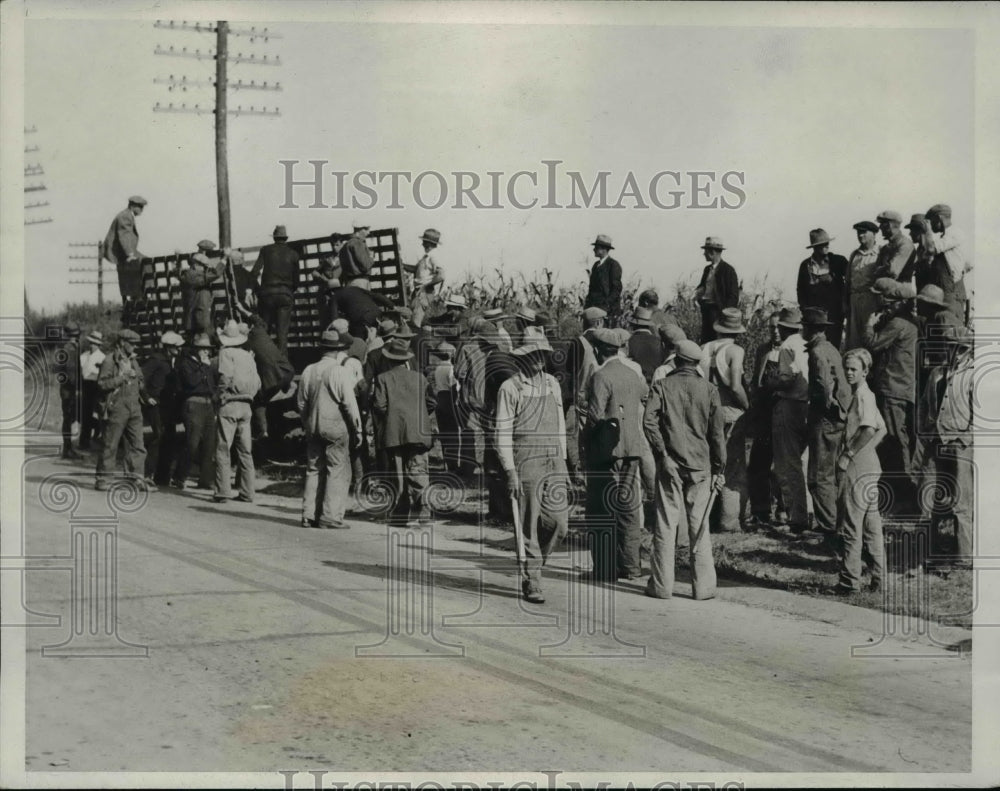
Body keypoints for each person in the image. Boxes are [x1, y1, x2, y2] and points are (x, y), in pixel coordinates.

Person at [643, 339, 726, 600]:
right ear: (697, 364)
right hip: (702, 467)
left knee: (666, 525)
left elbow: (648, 423)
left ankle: (661, 586)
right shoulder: (710, 390)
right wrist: (719, 468)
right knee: (699, 527)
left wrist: (663, 455)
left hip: (671, 465)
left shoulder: (662, 386)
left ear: (675, 361)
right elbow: (717, 435)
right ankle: (703, 588)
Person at [495, 328, 569, 603]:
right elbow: (501, 432)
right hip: (525, 459)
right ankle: (532, 580)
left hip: (553, 459)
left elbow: (560, 423)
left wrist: (563, 460)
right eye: (534, 354)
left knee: (559, 523)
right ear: (522, 357)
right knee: (528, 522)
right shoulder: (510, 388)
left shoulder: (552, 383)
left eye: (542, 354)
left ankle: (536, 565)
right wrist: (510, 470)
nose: (539, 359)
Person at [584, 327, 650, 582]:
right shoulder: (633, 374)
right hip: (631, 449)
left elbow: (595, 416)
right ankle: (631, 566)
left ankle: (605, 569)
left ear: (599, 350)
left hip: (607, 451)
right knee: (628, 508)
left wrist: (588, 442)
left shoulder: (601, 376)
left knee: (602, 509)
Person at [919, 325, 974, 568]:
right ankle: (930, 550)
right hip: (935, 441)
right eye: (951, 347)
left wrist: (967, 437)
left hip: (961, 445)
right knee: (928, 496)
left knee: (962, 501)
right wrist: (925, 432)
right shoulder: (937, 374)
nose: (955, 353)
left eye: (959, 348)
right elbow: (923, 406)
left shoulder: (973, 375)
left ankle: (964, 557)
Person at [865, 277, 920, 516]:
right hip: (902, 389)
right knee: (900, 442)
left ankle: (904, 500)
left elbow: (872, 345)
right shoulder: (910, 322)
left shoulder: (897, 323)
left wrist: (869, 324)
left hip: (892, 389)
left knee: (895, 444)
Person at [834, 348, 887, 594]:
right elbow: (881, 429)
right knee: (871, 525)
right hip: (870, 464)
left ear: (866, 371)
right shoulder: (864, 395)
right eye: (847, 368)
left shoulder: (864, 396)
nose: (849, 372)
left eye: (854, 369)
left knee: (852, 525)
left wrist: (849, 454)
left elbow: (868, 429)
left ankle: (849, 582)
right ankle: (878, 579)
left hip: (858, 466)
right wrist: (867, 451)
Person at [298, 329, 362, 529]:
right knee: (337, 470)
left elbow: (301, 403)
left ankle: (309, 514)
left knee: (313, 469)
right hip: (335, 426)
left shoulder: (309, 370)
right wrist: (357, 429)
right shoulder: (339, 371)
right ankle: (331, 516)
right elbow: (350, 404)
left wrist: (307, 422)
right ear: (339, 349)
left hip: (314, 424)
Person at [372, 336, 437, 526]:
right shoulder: (420, 378)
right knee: (418, 468)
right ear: (406, 359)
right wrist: (421, 415)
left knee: (397, 472)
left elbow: (379, 406)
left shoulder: (382, 379)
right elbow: (432, 402)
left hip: (394, 431)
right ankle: (424, 506)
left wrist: (392, 414)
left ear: (389, 359)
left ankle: (400, 514)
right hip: (419, 431)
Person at [802, 307, 850, 538]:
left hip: (825, 418)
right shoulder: (830, 348)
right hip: (838, 418)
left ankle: (828, 528)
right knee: (830, 473)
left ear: (808, 329)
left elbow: (823, 385)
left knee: (819, 475)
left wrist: (823, 409)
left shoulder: (818, 352)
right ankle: (835, 523)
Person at [700, 307, 749, 532]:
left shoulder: (703, 349)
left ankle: (704, 517)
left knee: (710, 463)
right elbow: (735, 384)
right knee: (732, 467)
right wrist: (747, 405)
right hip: (728, 409)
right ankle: (729, 520)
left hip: (705, 410)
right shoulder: (734, 351)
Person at [211, 321, 261, 504]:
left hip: (230, 404)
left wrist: (219, 395)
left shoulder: (225, 353)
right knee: (245, 451)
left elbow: (225, 377)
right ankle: (248, 492)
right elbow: (257, 382)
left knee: (223, 448)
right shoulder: (248, 356)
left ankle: (223, 491)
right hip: (246, 405)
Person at [770, 306, 810, 532]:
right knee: (801, 462)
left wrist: (772, 384)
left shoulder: (787, 346)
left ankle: (797, 517)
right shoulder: (805, 344)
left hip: (789, 404)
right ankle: (805, 513)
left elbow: (787, 378)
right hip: (805, 405)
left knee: (787, 463)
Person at [94, 329, 149, 490]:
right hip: (117, 406)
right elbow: (102, 384)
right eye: (131, 343)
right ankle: (103, 479)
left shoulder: (133, 360)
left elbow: (141, 380)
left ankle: (136, 478)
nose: (134, 347)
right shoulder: (110, 360)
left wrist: (138, 381)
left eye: (135, 344)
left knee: (138, 445)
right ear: (121, 342)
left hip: (134, 407)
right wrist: (122, 378)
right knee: (110, 444)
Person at [746, 312, 783, 528]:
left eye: (778, 327)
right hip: (764, 414)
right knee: (759, 462)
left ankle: (784, 510)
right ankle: (760, 510)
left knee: (783, 464)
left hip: (783, 413)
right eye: (771, 328)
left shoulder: (794, 351)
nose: (775, 331)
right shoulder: (762, 350)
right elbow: (755, 381)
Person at [171, 334, 217, 490]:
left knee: (210, 444)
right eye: (203, 349)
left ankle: (205, 479)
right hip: (193, 404)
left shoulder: (207, 365)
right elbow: (191, 382)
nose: (206, 352)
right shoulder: (186, 364)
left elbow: (211, 386)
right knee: (193, 443)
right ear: (195, 349)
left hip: (208, 404)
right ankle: (179, 476)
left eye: (207, 349)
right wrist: (203, 367)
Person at [242, 313, 295, 442]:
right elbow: (259, 320)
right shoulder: (260, 330)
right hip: (288, 371)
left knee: (259, 400)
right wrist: (243, 309)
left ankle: (263, 431)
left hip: (272, 380)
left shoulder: (245, 344)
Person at [453, 320, 496, 478]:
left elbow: (460, 372)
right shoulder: (497, 347)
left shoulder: (468, 348)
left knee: (469, 433)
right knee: (490, 433)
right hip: (491, 397)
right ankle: (491, 467)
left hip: (471, 398)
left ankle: (468, 468)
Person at [141, 330, 183, 485]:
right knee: (158, 437)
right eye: (176, 347)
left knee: (169, 438)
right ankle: (147, 474)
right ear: (168, 347)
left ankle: (162, 476)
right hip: (156, 404)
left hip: (169, 405)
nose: (179, 350)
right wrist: (146, 397)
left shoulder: (174, 362)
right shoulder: (156, 360)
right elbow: (141, 378)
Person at [797, 229, 848, 350]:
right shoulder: (805, 265)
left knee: (833, 347)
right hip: (813, 318)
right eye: (822, 244)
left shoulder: (839, 261)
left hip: (834, 315)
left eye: (827, 243)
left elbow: (851, 281)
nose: (826, 246)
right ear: (814, 247)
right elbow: (800, 290)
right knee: (814, 347)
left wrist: (844, 305)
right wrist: (805, 310)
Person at [921, 204, 971, 323]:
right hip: (944, 292)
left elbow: (931, 249)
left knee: (951, 331)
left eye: (931, 221)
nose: (931, 225)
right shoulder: (946, 236)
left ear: (939, 218)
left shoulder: (955, 233)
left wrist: (927, 231)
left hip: (952, 294)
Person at [256, 225, 300, 354]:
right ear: (285, 238)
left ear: (274, 237)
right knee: (282, 333)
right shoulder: (293, 254)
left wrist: (259, 291)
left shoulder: (265, 250)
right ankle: (282, 365)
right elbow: (297, 281)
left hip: (267, 294)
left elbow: (254, 273)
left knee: (264, 331)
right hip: (285, 294)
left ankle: (264, 362)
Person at [103, 196, 147, 310]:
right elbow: (124, 236)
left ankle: (141, 294)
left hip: (125, 252)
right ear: (133, 206)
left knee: (145, 263)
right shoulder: (125, 216)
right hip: (122, 253)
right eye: (140, 207)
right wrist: (130, 255)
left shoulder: (127, 215)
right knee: (146, 263)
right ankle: (142, 295)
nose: (142, 210)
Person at [845, 220, 882, 351]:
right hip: (854, 300)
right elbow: (848, 281)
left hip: (871, 300)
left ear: (873, 234)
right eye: (858, 232)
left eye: (864, 232)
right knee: (854, 340)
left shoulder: (881, 253)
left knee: (870, 336)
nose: (860, 235)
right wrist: (846, 303)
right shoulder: (854, 255)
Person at [694, 237, 739, 343]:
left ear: (712, 252)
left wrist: (724, 315)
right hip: (706, 311)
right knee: (705, 342)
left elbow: (733, 296)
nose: (704, 254)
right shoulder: (707, 270)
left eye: (705, 251)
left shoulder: (728, 270)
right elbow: (702, 287)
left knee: (717, 342)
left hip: (718, 314)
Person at [428, 341, 461, 474]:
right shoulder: (451, 369)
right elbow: (453, 386)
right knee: (453, 432)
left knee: (444, 432)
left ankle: (447, 462)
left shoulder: (438, 368)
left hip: (440, 398)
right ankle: (453, 463)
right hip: (449, 399)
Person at [327, 279, 397, 340]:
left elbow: (335, 320)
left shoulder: (334, 297)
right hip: (377, 313)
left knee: (359, 342)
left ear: (331, 292)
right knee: (380, 337)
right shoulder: (354, 288)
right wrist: (392, 306)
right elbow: (376, 295)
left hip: (362, 319)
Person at [53, 321, 83, 460]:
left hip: (65, 388)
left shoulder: (65, 347)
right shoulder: (70, 348)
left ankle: (68, 448)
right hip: (69, 389)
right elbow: (71, 372)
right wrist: (76, 389)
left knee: (68, 418)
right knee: (69, 418)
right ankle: (68, 449)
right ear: (75, 335)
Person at [180, 240, 222, 336]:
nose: (205, 270)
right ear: (195, 265)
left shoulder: (188, 275)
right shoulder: (193, 277)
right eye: (204, 267)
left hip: (191, 321)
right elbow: (215, 274)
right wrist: (224, 260)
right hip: (199, 322)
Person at [78, 329, 106, 450]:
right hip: (85, 386)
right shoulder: (84, 356)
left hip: (96, 386)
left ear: (99, 344)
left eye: (95, 343)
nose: (92, 345)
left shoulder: (102, 357)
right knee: (84, 414)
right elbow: (81, 371)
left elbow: (103, 374)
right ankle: (85, 441)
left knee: (97, 412)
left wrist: (93, 376)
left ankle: (95, 435)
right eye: (91, 343)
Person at [584, 234, 623, 319]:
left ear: (604, 249)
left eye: (596, 247)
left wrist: (605, 306)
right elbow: (591, 290)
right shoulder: (595, 265)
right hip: (593, 312)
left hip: (608, 313)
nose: (594, 249)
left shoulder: (613, 265)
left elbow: (616, 290)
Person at [873, 210, 914, 280]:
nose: (880, 227)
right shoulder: (885, 248)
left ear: (890, 225)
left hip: (901, 290)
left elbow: (893, 271)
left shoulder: (906, 244)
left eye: (882, 223)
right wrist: (885, 268)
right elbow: (875, 271)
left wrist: (881, 270)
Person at [626, 307, 663, 384]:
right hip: (655, 383)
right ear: (648, 325)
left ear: (633, 324)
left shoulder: (628, 341)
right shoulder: (658, 341)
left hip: (635, 383)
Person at [339, 219, 374, 289]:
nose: (368, 232)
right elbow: (365, 266)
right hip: (361, 283)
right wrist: (371, 257)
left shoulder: (346, 245)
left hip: (349, 283)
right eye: (366, 229)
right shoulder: (358, 243)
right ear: (360, 230)